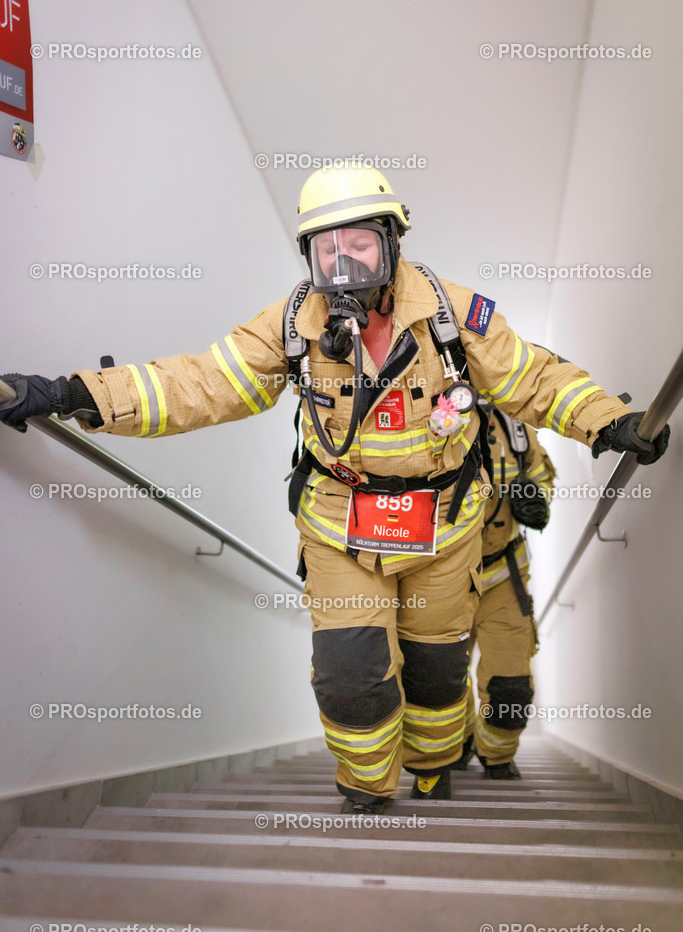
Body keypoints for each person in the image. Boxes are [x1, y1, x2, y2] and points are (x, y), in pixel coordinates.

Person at [0, 163, 669, 814]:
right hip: (339, 526)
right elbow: (200, 382)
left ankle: (434, 764)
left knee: (436, 672)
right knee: (349, 673)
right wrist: (71, 394)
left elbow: (533, 377)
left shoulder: (452, 311)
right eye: (327, 247)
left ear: (391, 241)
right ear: (309, 255)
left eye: (359, 243)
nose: (343, 261)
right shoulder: (293, 323)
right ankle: (367, 785)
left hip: (445, 526)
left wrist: (608, 422)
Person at [455, 406, 555, 780]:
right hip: (441, 578)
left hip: (503, 574)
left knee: (511, 686)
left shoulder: (516, 428)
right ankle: (455, 743)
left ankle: (496, 755)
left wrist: (537, 500)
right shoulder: (424, 414)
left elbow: (541, 475)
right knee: (437, 678)